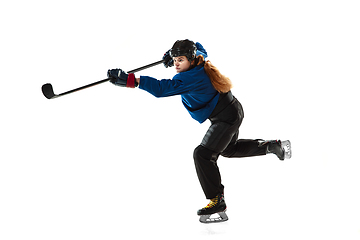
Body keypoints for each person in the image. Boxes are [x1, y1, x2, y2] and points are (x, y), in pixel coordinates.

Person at [107, 39, 292, 223]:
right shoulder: (200, 60)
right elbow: (200, 46)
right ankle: (271, 147)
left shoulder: (188, 78)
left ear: (190, 59)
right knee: (228, 149)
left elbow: (162, 89)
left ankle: (216, 200)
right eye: (175, 59)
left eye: (180, 59)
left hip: (226, 117)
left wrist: (131, 80)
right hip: (231, 110)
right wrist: (173, 55)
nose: (176, 64)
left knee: (203, 154)